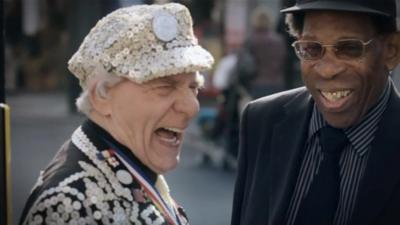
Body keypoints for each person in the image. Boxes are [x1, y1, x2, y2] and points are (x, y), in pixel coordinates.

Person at [19, 3, 214, 225]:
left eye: (193, 87)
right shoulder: (69, 206)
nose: (191, 107)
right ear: (102, 97)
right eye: (164, 87)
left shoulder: (118, 165)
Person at [231, 0, 400, 225]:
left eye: (350, 48)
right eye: (311, 48)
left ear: (391, 50)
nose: (328, 70)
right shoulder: (261, 120)